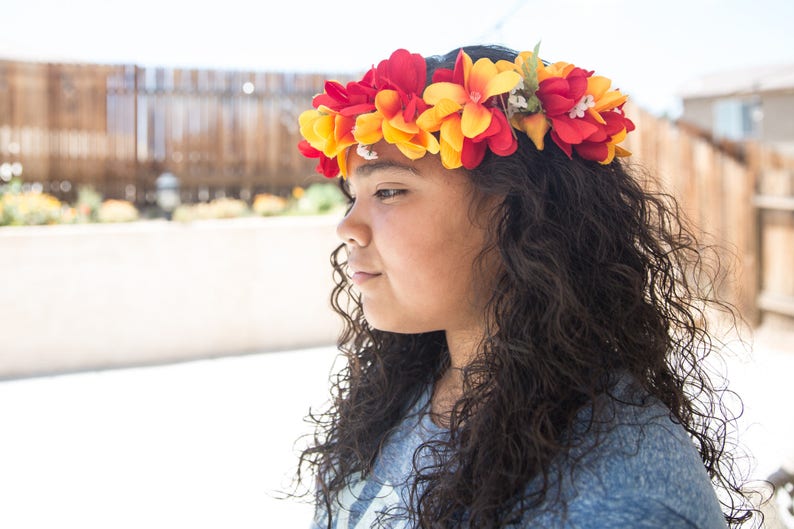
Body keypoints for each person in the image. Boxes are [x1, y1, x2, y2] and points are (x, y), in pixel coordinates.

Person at [293, 44, 759, 528]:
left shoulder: (620, 503)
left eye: (388, 191)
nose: (347, 226)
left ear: (522, 212)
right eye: (354, 196)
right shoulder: (411, 389)